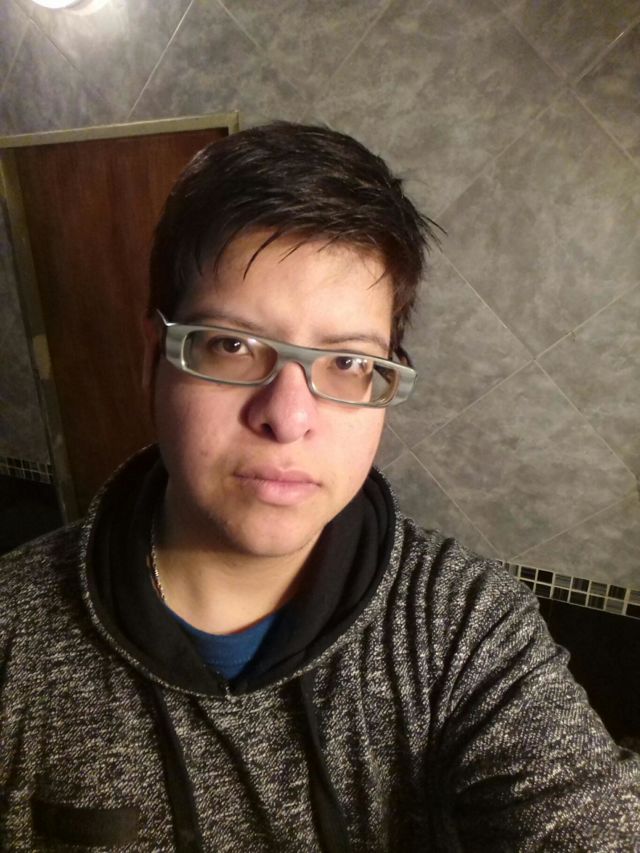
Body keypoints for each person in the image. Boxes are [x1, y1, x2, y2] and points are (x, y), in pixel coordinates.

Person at [1, 122, 638, 853]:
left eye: (348, 362)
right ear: (154, 359)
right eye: (232, 345)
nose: (288, 416)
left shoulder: (462, 624)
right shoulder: (14, 637)